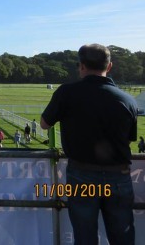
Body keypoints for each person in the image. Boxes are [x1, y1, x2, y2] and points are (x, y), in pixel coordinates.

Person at [40, 44, 138, 245]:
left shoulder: (66, 93)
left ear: (81, 66)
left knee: (85, 237)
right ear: (109, 66)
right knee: (123, 237)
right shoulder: (128, 100)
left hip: (81, 176)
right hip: (118, 177)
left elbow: (44, 123)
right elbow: (128, 139)